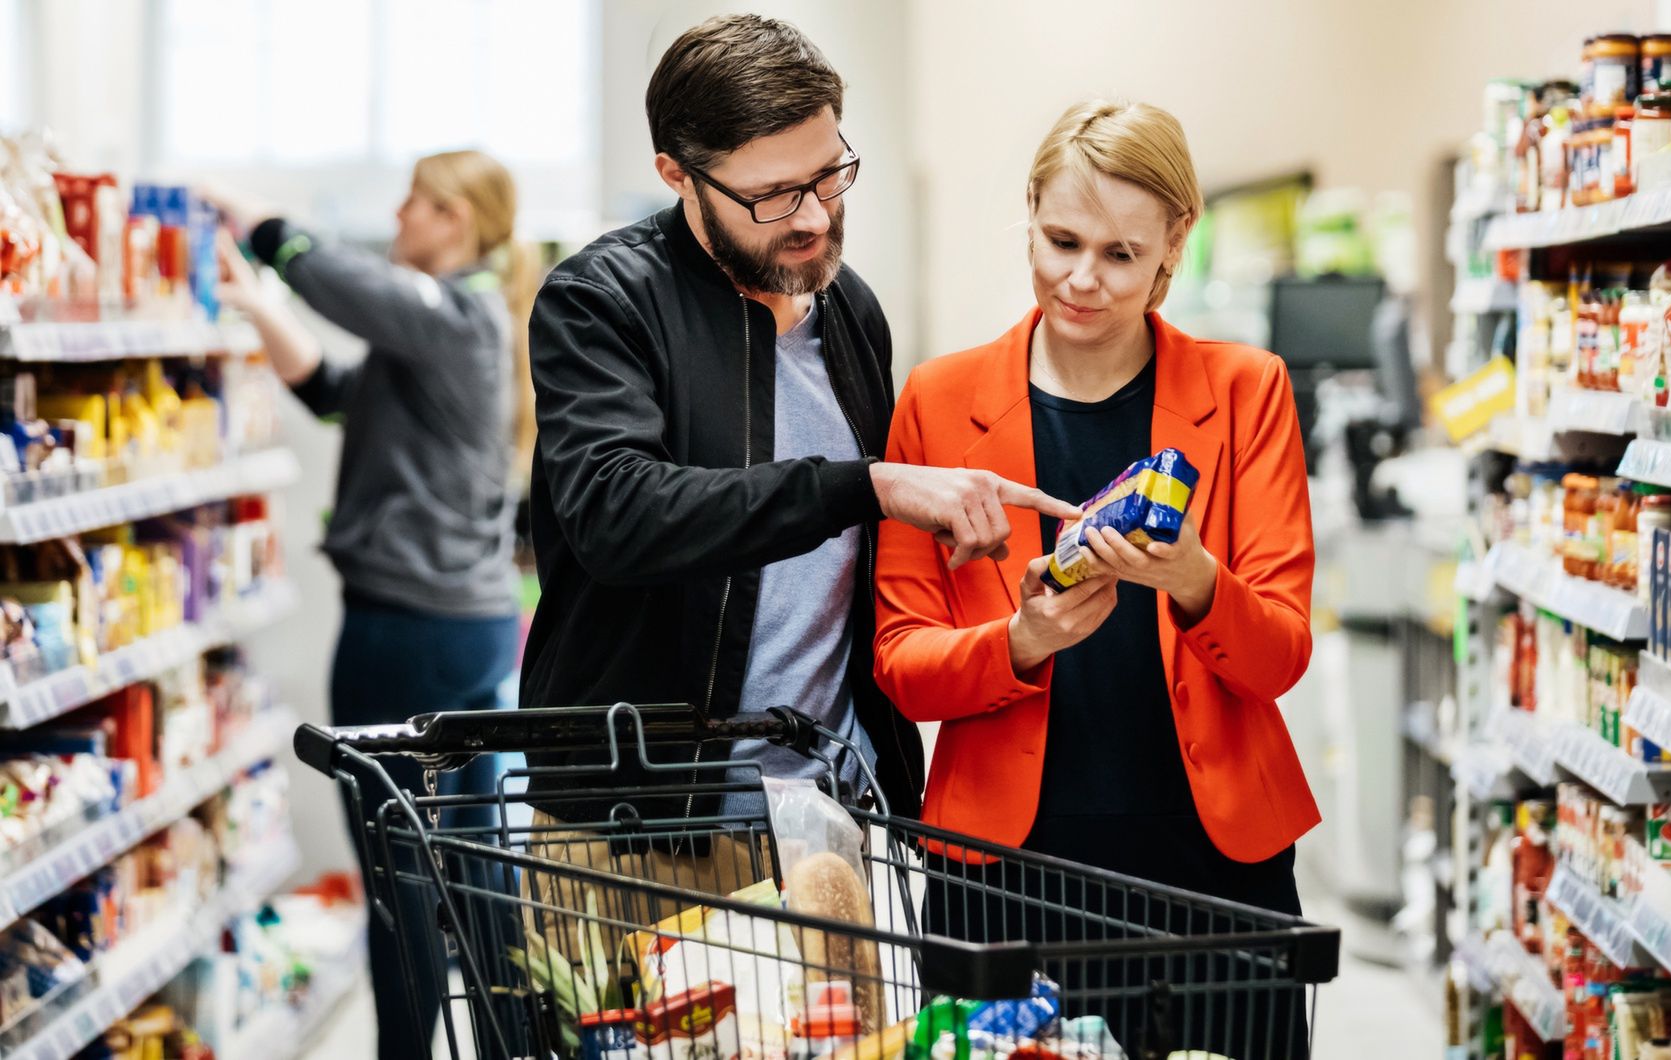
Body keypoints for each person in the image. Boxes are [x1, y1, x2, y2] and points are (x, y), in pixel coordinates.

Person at [519, 13, 1077, 876]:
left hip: (829, 816)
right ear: (678, 173)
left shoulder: (851, 311)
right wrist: (869, 486)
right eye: (775, 195)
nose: (816, 216)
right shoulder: (601, 302)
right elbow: (619, 515)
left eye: (831, 175)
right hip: (646, 825)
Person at [872, 100, 1320, 1058]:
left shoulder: (1248, 390)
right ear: (1028, 211)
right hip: (1003, 871)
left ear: (1173, 249)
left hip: (1214, 868)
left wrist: (1198, 579)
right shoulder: (939, 403)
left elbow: (1280, 657)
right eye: (1061, 238)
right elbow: (901, 662)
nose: (1082, 281)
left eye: (1121, 254)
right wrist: (1021, 642)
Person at [208, 149, 538, 1058]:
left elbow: (350, 291)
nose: (399, 215)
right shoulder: (460, 328)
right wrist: (262, 307)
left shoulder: (454, 311)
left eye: (418, 202)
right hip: (466, 630)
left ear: (458, 222)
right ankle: (512, 1044)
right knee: (473, 874)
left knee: (400, 885)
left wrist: (264, 221)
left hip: (408, 632)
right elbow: (337, 393)